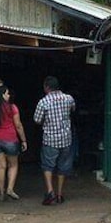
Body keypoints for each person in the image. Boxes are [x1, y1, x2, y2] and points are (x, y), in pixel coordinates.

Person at [34, 76, 75, 205]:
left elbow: (37, 119)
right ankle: (59, 194)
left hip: (50, 139)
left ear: (47, 87)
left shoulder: (43, 102)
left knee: (48, 165)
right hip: (66, 138)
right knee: (63, 167)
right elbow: (73, 109)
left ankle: (50, 191)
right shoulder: (69, 99)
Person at [0, 85, 27, 201]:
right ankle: (10, 188)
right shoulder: (12, 107)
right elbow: (18, 125)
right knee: (13, 165)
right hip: (10, 139)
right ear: (3, 95)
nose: (9, 96)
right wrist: (23, 140)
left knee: (0, 166)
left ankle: (1, 193)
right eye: (7, 93)